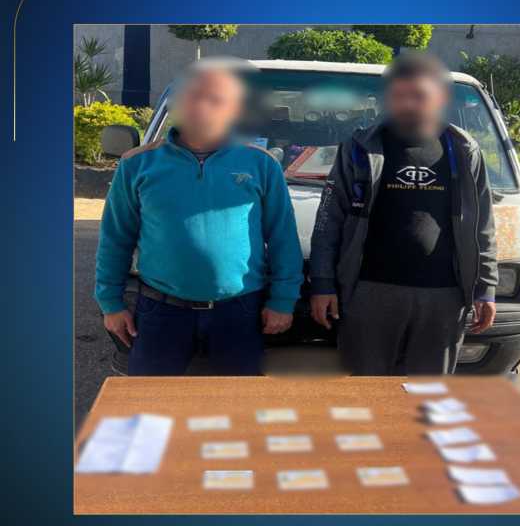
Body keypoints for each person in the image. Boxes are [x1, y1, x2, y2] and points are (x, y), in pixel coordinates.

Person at [95, 60, 303, 375]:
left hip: (240, 312)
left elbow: (282, 238)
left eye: (215, 99)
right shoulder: (137, 164)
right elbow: (115, 238)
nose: (201, 106)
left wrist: (283, 300)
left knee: (235, 402)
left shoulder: (261, 165)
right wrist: (110, 303)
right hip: (160, 311)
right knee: (150, 400)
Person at [309, 52, 497, 375]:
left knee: (428, 393)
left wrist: (485, 288)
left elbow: (483, 226)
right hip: (369, 294)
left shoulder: (464, 152)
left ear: (439, 98)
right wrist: (323, 284)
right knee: (364, 391)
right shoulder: (359, 149)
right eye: (399, 95)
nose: (408, 104)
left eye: (419, 96)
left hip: (444, 298)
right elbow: (328, 221)